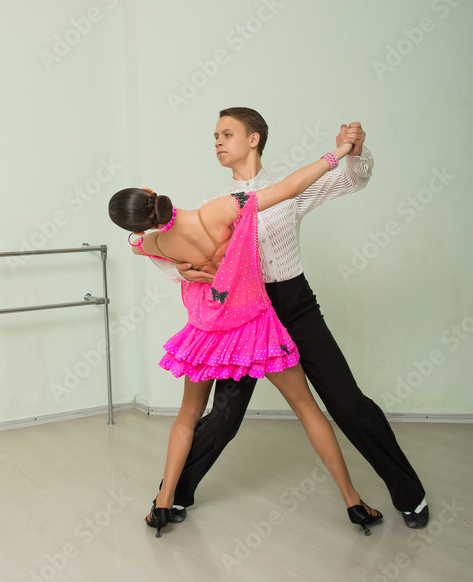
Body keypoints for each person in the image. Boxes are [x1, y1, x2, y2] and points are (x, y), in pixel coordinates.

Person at [148, 109, 429, 530]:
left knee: (347, 401)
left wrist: (354, 149)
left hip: (294, 304)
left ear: (254, 138)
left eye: (227, 134)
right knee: (224, 417)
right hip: (244, 316)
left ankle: (409, 495)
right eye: (215, 136)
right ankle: (172, 495)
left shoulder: (289, 189)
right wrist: (184, 272)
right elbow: (168, 247)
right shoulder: (216, 204)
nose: (218, 142)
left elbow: (353, 179)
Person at [108, 140, 383, 538]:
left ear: (139, 224)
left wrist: (152, 247)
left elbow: (136, 245)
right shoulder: (219, 210)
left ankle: (164, 503)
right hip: (255, 328)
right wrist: (337, 153)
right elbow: (289, 188)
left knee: (188, 416)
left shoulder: (156, 243)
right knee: (307, 409)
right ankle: (353, 501)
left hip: (205, 337)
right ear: (151, 192)